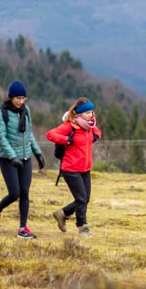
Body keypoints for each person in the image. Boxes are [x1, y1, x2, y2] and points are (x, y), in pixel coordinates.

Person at [0, 80, 46, 239]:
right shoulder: (0, 112)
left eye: (23, 98)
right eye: (18, 98)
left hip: (25, 157)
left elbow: (29, 134)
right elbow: (2, 137)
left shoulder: (25, 110)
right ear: (11, 97)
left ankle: (23, 228)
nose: (21, 101)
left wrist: (38, 153)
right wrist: (12, 157)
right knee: (14, 193)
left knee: (25, 193)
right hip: (8, 159)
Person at [46, 97, 102, 237]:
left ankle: (62, 213)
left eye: (92, 112)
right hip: (70, 169)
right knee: (81, 199)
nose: (91, 115)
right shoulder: (70, 126)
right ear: (79, 114)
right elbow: (50, 134)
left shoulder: (89, 126)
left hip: (85, 168)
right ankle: (82, 227)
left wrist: (95, 136)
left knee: (85, 198)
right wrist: (66, 140)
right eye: (88, 112)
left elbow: (98, 132)